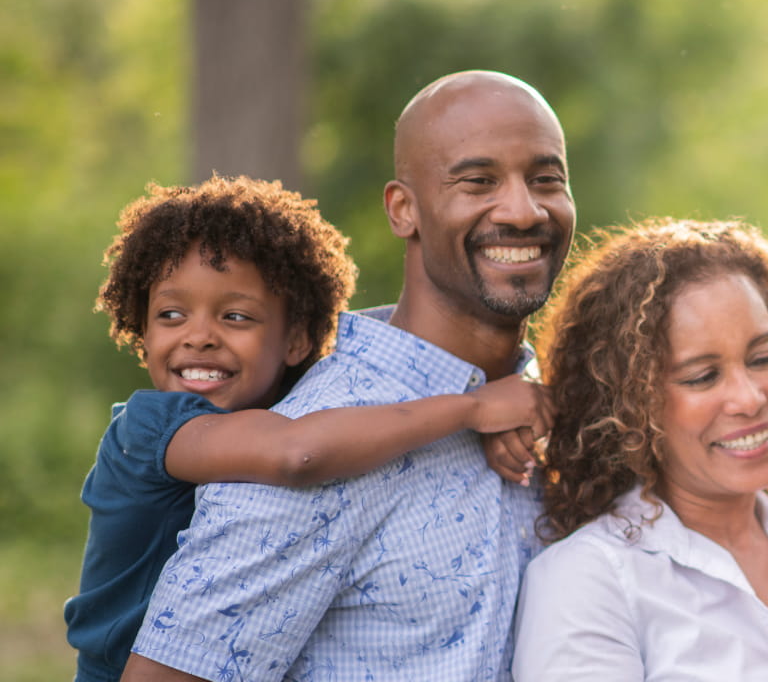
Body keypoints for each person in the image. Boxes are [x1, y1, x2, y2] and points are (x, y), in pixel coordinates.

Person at [124, 70, 575, 681]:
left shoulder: (549, 412)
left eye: (547, 179)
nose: (524, 210)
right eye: (478, 181)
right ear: (403, 209)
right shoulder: (317, 437)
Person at [66, 176, 543, 681]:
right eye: (170, 314)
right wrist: (471, 409)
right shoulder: (149, 428)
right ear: (140, 331)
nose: (199, 337)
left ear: (296, 340)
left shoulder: (294, 404)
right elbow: (298, 452)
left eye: (235, 316)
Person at [511, 217, 768, 682]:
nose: (750, 398)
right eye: (702, 376)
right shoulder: (588, 581)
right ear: (632, 403)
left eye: (762, 358)